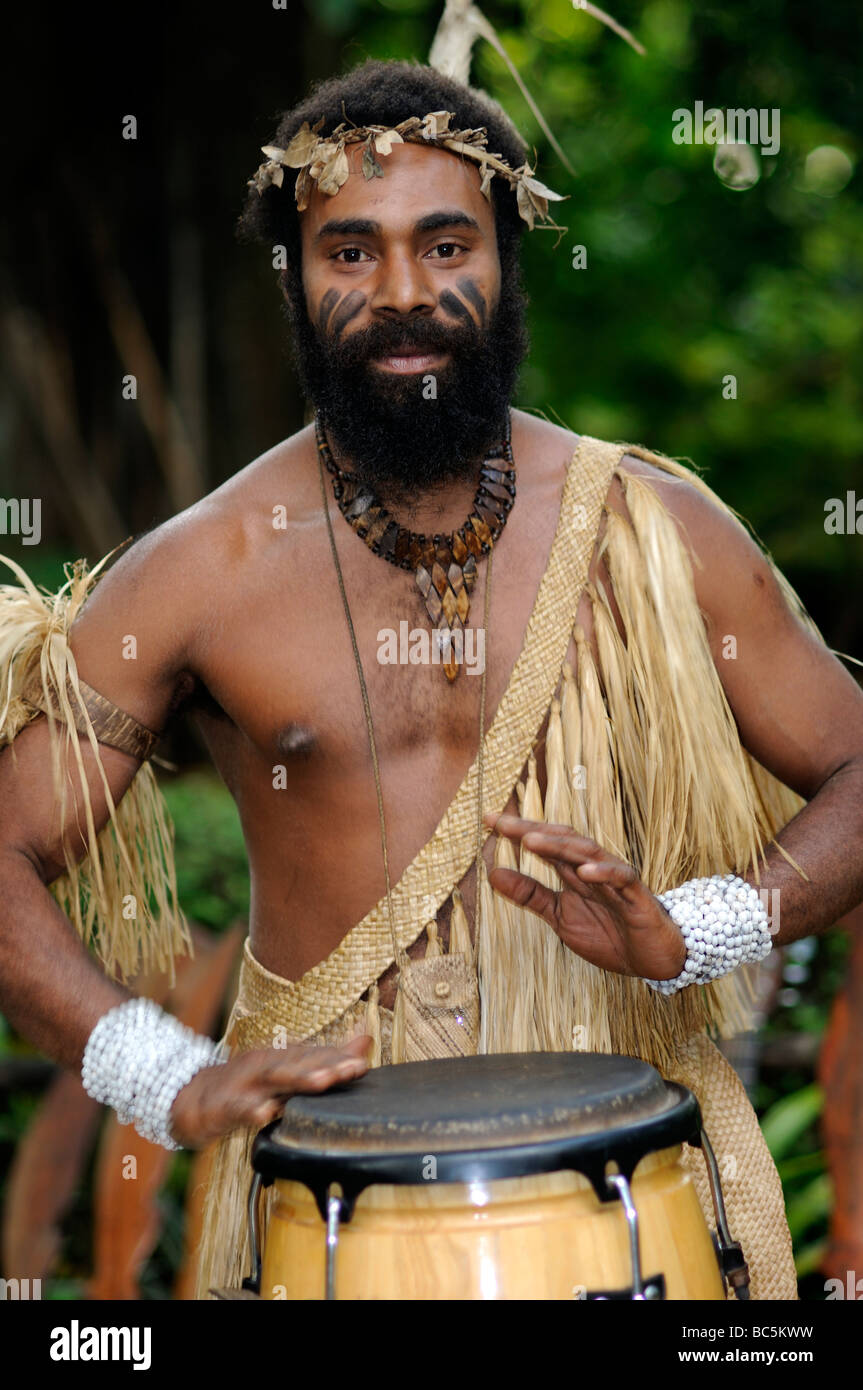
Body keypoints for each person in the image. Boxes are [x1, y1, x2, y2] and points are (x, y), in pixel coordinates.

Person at [1, 59, 862, 1302]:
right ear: (291, 279)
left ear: (506, 259)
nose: (402, 294)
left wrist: (697, 929)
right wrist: (159, 1071)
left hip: (629, 1196)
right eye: (348, 252)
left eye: (444, 242)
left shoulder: (653, 529)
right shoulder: (198, 572)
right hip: (326, 1207)